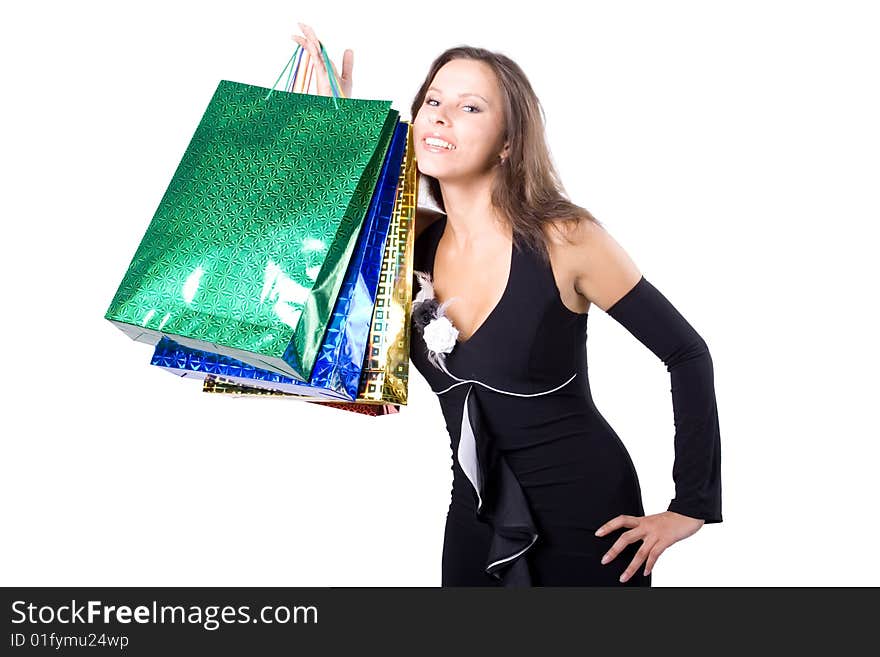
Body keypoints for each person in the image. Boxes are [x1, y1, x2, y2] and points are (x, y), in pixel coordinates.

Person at [293, 23, 723, 587]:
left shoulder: (566, 238)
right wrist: (332, 144)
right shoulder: (402, 243)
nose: (441, 116)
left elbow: (687, 353)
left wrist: (691, 504)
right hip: (474, 515)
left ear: (508, 142)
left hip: (589, 517)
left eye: (470, 107)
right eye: (432, 101)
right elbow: (306, 292)